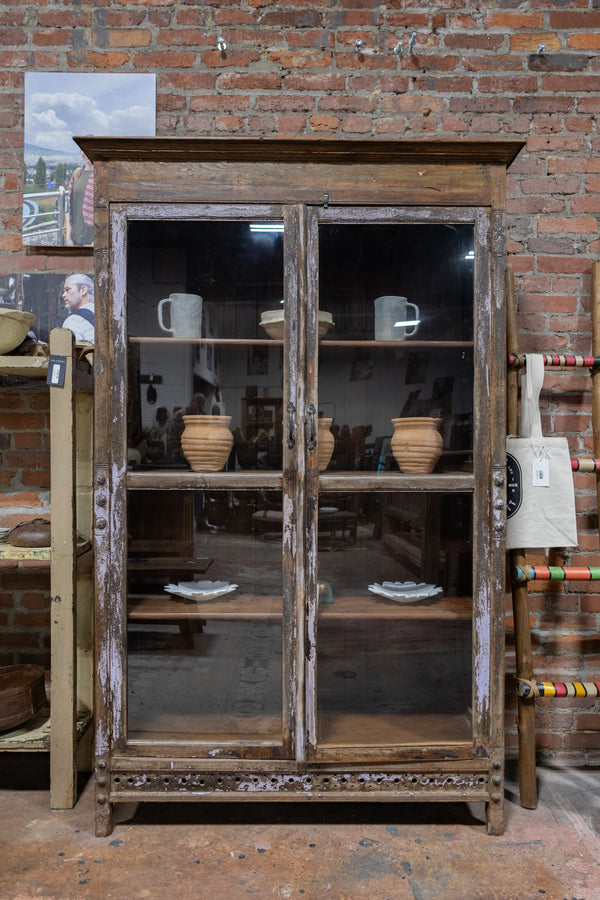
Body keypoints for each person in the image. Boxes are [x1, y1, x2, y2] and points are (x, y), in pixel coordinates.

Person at [65, 153, 93, 247]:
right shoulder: (77, 173)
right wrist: (68, 237)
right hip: (74, 239)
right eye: (82, 150)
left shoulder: (102, 176)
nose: (84, 153)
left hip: (91, 241)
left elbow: (106, 212)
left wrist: (97, 241)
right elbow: (70, 208)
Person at [62, 274, 94, 343]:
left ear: (83, 290)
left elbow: (68, 352)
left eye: (68, 290)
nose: (63, 295)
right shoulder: (102, 314)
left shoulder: (74, 320)